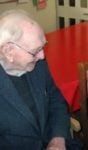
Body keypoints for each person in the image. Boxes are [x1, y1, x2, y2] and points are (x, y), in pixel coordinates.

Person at [0, 9, 70, 150]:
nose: (42, 56)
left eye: (43, 46)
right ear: (8, 51)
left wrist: (58, 138)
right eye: (35, 50)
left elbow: (56, 100)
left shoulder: (37, 64)